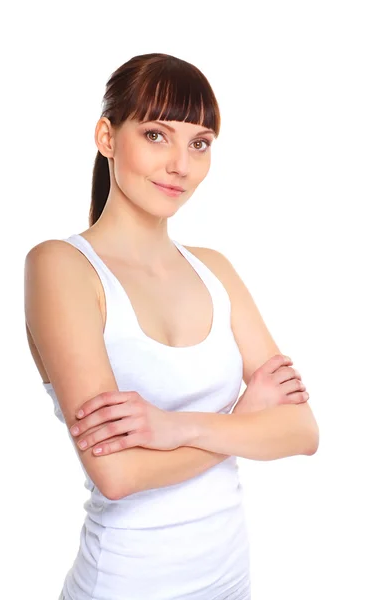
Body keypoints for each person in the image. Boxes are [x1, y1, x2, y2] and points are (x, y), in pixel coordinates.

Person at [24, 53, 318, 600]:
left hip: (230, 580)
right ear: (107, 138)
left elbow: (302, 431)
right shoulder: (61, 267)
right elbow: (117, 475)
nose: (180, 164)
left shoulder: (215, 270)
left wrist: (178, 427)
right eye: (157, 135)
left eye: (199, 143)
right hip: (125, 584)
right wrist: (242, 421)